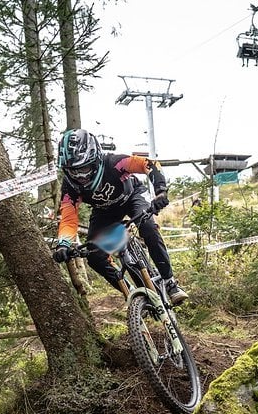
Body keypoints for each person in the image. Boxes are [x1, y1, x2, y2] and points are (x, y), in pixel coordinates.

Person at [52, 129, 189, 305]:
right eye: (73, 170)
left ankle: (170, 282)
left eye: (83, 168)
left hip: (132, 197)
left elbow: (149, 164)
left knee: (148, 227)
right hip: (104, 211)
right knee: (94, 258)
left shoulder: (115, 162)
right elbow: (68, 219)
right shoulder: (69, 188)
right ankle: (133, 295)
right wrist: (63, 245)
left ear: (96, 160)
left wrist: (160, 192)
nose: (80, 176)